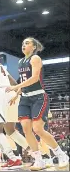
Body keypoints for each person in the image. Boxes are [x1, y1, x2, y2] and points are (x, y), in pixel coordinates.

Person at [6, 37, 69, 170]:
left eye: (27, 43)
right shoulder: (20, 62)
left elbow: (34, 78)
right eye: (23, 43)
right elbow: (25, 81)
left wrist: (14, 87)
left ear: (34, 47)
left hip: (38, 97)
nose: (24, 45)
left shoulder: (35, 59)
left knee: (38, 129)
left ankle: (61, 155)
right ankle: (39, 160)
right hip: (25, 98)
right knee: (26, 129)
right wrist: (17, 94)